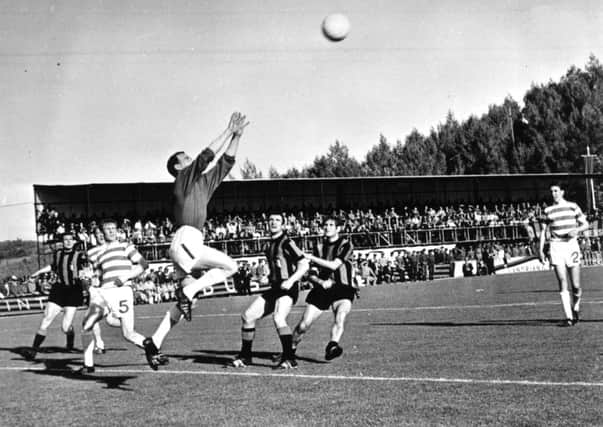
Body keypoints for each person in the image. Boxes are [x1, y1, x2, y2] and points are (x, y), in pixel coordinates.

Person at [144, 112, 248, 369]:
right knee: (231, 267)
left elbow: (226, 161)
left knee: (186, 302)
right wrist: (226, 130)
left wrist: (236, 136)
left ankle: (154, 343)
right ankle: (189, 290)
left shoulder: (202, 183)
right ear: (178, 167)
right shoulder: (182, 179)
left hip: (183, 243)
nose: (190, 160)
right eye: (185, 159)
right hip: (187, 238)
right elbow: (206, 156)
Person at [78, 219, 158, 374]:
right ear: (101, 231)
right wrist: (88, 284)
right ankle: (88, 365)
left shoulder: (125, 246)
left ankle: (150, 347)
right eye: (107, 229)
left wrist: (126, 276)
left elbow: (143, 264)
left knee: (128, 333)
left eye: (113, 228)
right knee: (87, 324)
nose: (111, 231)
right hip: (104, 292)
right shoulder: (93, 253)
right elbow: (92, 274)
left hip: (122, 292)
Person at [232, 213, 309, 369]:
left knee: (279, 317)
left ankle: (289, 358)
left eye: (277, 220)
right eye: (271, 220)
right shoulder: (269, 244)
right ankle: (246, 357)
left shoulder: (287, 242)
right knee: (248, 316)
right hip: (275, 287)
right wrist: (266, 278)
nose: (274, 222)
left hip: (288, 288)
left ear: (283, 224)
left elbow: (304, 264)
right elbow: (277, 268)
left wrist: (291, 280)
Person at [291, 217, 356, 361]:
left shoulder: (346, 245)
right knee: (303, 325)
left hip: (342, 288)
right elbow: (311, 274)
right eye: (325, 225)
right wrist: (320, 281)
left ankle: (332, 346)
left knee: (340, 317)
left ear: (338, 228)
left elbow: (334, 265)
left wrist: (310, 257)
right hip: (322, 289)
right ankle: (290, 351)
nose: (327, 227)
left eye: (331, 225)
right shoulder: (319, 247)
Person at [23, 233, 87, 360]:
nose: (68, 242)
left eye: (70, 240)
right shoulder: (58, 253)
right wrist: (38, 272)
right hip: (59, 289)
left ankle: (70, 340)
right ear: (62, 242)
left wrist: (84, 279)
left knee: (65, 327)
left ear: (74, 242)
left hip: (73, 291)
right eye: (65, 240)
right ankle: (33, 350)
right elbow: (53, 266)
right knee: (47, 318)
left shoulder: (80, 255)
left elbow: (85, 270)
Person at [539, 182, 588, 326]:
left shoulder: (573, 206)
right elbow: (543, 232)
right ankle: (568, 317)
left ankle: (576, 307)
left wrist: (577, 230)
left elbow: (585, 224)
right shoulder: (548, 210)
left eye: (555, 191)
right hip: (556, 245)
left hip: (571, 245)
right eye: (551, 191)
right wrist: (540, 250)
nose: (553, 193)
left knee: (576, 285)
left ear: (562, 192)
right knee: (562, 281)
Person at [85, 227, 107, 355]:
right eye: (97, 234)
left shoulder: (113, 248)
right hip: (96, 289)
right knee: (92, 317)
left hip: (110, 288)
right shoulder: (91, 252)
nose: (100, 236)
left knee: (113, 319)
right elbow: (87, 270)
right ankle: (99, 344)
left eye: (101, 233)